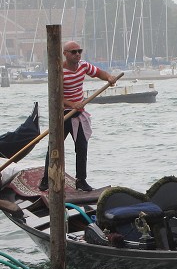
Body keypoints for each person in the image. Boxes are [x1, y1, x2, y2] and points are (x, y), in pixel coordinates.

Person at [38, 41, 117, 192]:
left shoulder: (84, 66)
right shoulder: (59, 71)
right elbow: (55, 97)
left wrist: (109, 78)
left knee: (82, 147)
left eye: (79, 51)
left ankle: (81, 181)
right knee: (55, 148)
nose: (77, 54)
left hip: (78, 114)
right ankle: (46, 179)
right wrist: (71, 104)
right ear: (65, 54)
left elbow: (99, 73)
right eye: (73, 52)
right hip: (62, 114)